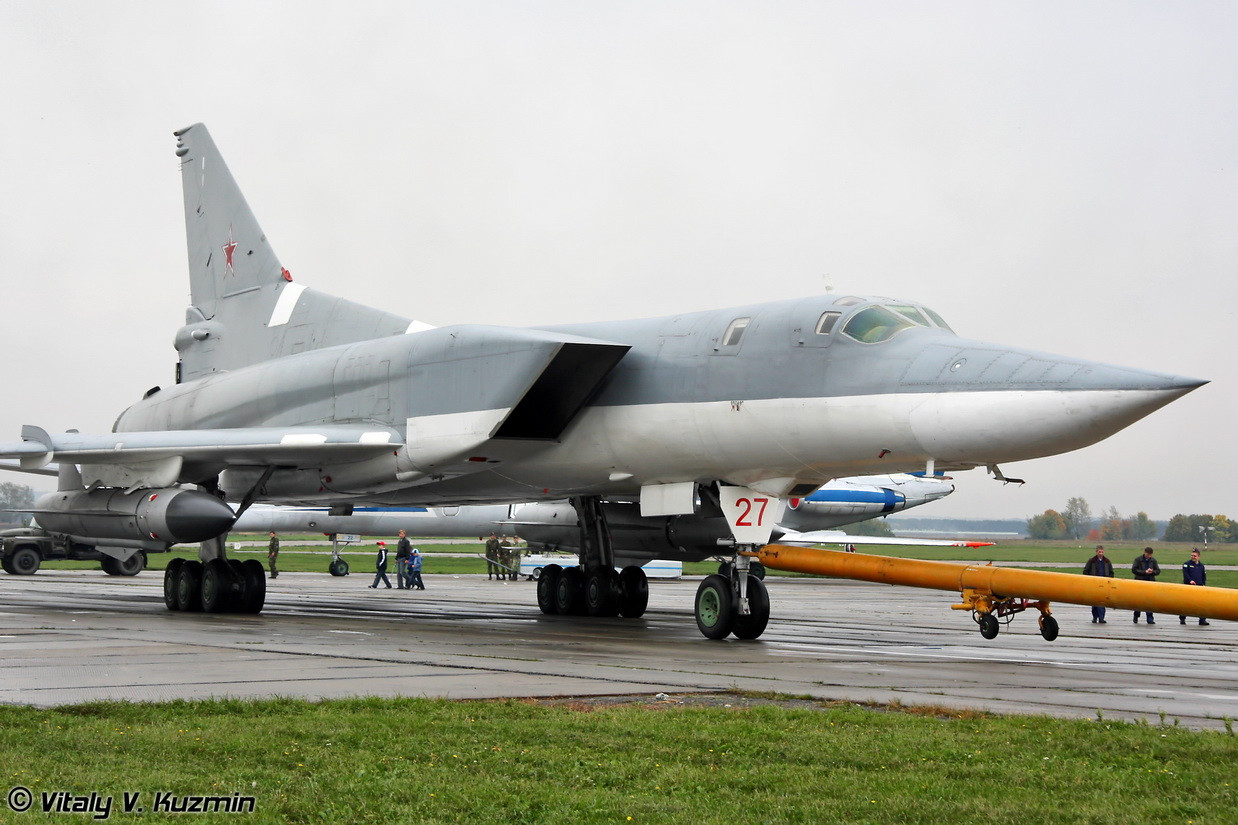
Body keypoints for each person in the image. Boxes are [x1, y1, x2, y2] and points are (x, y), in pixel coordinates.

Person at [1179, 548, 1210, 626]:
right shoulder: (1186, 564)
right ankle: (1182, 619)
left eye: (1195, 556)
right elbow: (1185, 574)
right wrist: (1190, 581)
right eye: (1192, 555)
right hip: (1189, 587)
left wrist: (1203, 584)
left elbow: (1203, 576)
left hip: (1199, 588)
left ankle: (1202, 619)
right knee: (1186, 603)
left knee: (1202, 604)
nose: (1193, 557)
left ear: (1198, 557)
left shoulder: (1201, 566)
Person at [1082, 545, 1113, 623]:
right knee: (1094, 602)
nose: (1101, 553)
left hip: (1104, 584)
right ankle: (1095, 617)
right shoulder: (1092, 561)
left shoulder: (1107, 561)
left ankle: (1101, 618)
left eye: (1102, 552)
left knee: (1102, 602)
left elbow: (1111, 572)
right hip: (1094, 584)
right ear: (1096, 552)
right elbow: (1085, 571)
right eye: (1099, 552)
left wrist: (1109, 579)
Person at [1131, 546, 1160, 624]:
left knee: (1149, 601)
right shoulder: (1138, 560)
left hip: (1150, 583)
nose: (1149, 556)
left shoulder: (1153, 561)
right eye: (1148, 554)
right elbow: (1134, 570)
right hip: (1140, 583)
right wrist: (1144, 572)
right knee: (1139, 601)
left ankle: (1150, 618)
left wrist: (1152, 571)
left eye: (1150, 555)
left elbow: (1158, 571)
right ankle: (1136, 616)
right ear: (1145, 553)